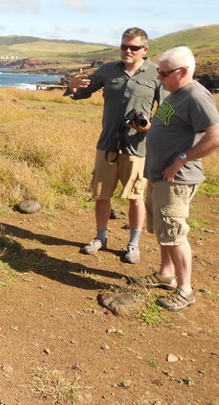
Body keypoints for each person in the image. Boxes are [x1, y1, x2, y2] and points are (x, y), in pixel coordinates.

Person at [132, 46, 219, 311]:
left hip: (176, 180)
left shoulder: (196, 95)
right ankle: (165, 273)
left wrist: (182, 158)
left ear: (183, 71)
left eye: (164, 73)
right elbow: (160, 125)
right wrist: (145, 126)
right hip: (158, 175)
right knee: (163, 229)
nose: (160, 78)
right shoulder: (174, 95)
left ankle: (185, 290)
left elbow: (218, 136)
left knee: (174, 232)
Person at [66, 27, 165, 264]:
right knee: (102, 194)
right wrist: (72, 85)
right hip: (107, 143)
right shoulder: (108, 70)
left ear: (145, 49)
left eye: (134, 47)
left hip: (137, 146)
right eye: (124, 46)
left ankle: (133, 244)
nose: (128, 51)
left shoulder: (157, 74)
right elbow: (82, 93)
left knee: (135, 196)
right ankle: (100, 238)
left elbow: (168, 109)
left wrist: (151, 126)